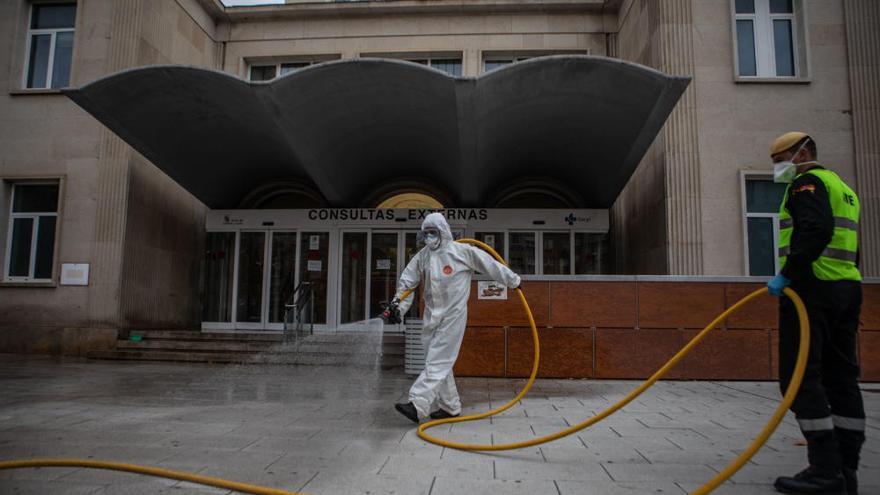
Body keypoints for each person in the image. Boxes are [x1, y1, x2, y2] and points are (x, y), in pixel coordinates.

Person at [766, 132, 865, 495]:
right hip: (846, 289)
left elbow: (816, 230)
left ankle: (824, 468)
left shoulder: (806, 184)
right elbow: (849, 243)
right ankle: (846, 469)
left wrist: (787, 274)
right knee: (841, 378)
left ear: (803, 152)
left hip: (812, 291)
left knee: (798, 376)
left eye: (780, 158)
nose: (777, 166)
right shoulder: (843, 187)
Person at [385, 212, 521, 423]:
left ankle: (418, 404)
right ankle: (450, 407)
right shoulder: (423, 256)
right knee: (437, 362)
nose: (429, 237)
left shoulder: (463, 252)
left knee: (438, 360)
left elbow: (490, 265)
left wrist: (513, 281)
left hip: (453, 316)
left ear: (443, 232)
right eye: (426, 233)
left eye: (433, 233)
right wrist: (397, 307)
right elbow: (407, 283)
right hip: (431, 316)